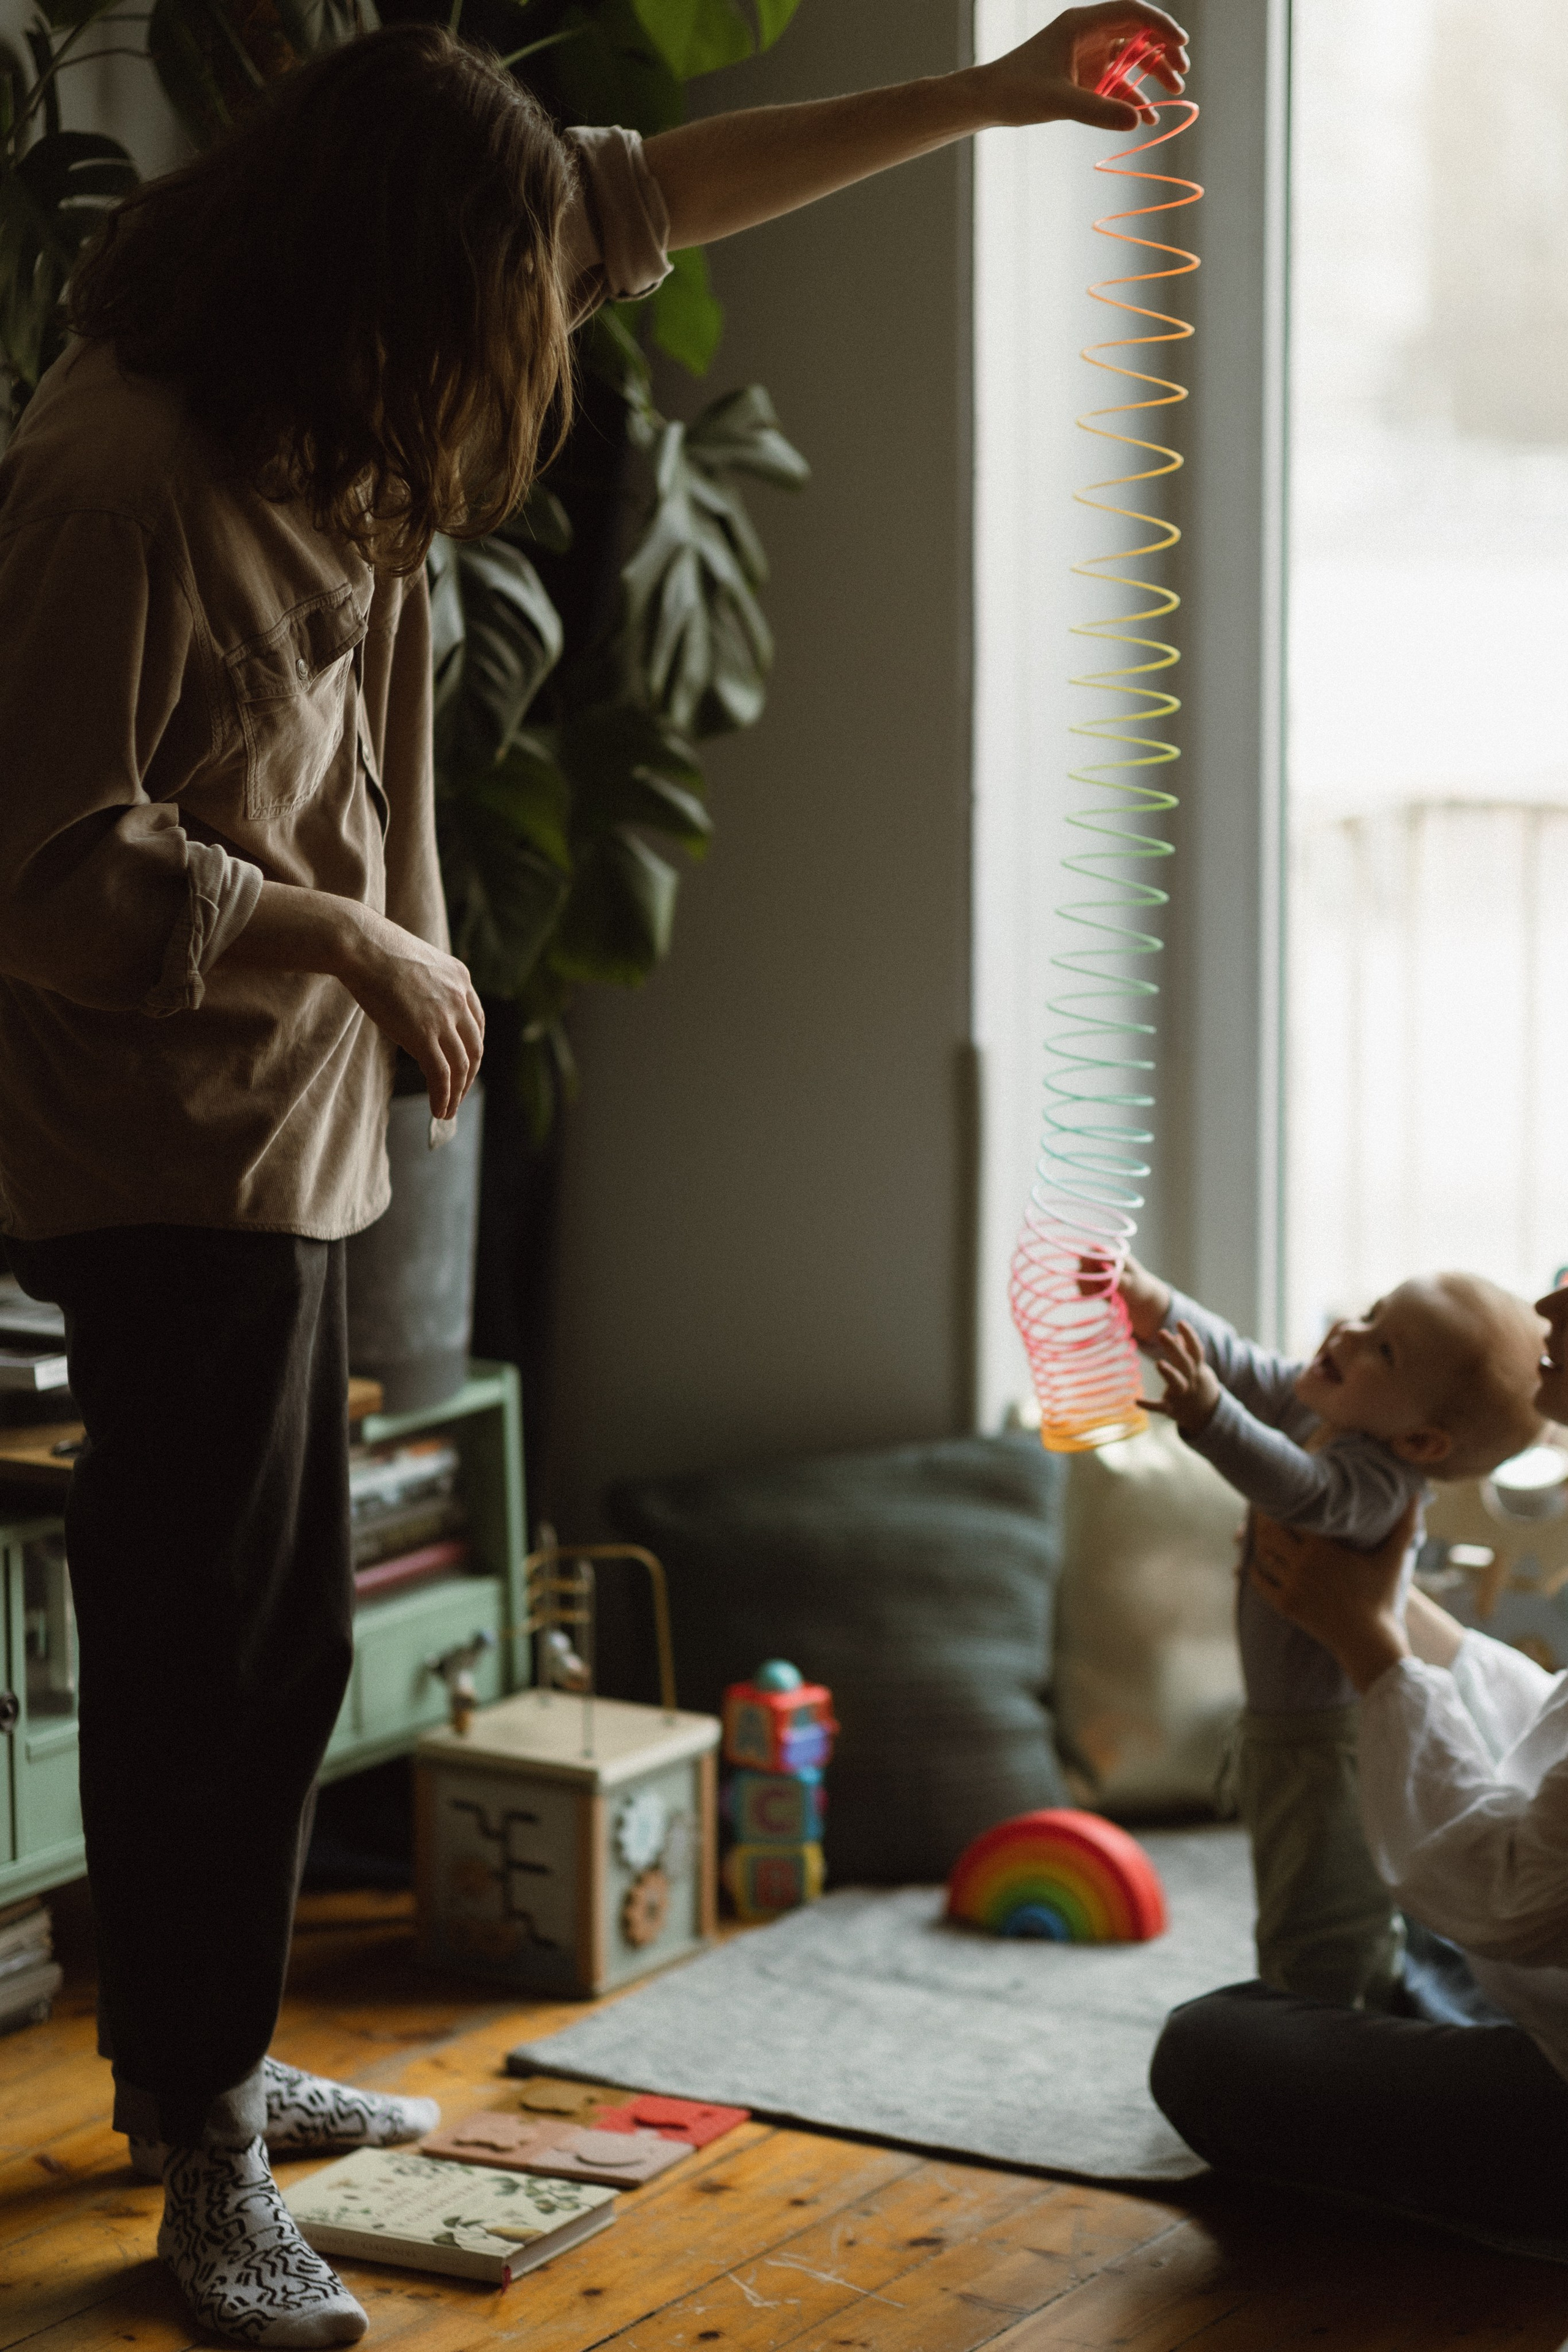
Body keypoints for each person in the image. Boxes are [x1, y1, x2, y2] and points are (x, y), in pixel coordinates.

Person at [0, 7, 1188, 2344]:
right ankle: (207, 2148)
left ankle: (198, 2076)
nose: (519, 345)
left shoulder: (324, 373)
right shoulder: (123, 479)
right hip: (169, 1142)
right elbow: (38, 867)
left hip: (310, 1123)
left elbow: (652, 202)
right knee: (202, 1645)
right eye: (488, 304)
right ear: (373, 280)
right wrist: (340, 931)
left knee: (285, 1633)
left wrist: (984, 92)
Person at [1149, 1275, 1568, 2251]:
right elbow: (1547, 1740)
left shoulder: (1358, 1464)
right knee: (1392, 1923)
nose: (1550, 1303)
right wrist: (1384, 1612)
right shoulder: (1343, 1432)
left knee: (1210, 2047)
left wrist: (1368, 1643)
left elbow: (1507, 1898)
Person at [1117, 1257, 1544, 2008]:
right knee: (1289, 1883)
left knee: (1323, 1907)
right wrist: (1151, 1302)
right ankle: (1319, 2002)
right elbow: (1238, 1359)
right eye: (1371, 1314)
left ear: (1421, 1443)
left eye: (1384, 1349)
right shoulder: (1328, 1407)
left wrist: (1214, 1421)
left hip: (1330, 1739)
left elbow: (1306, 1493)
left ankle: (1338, 2017)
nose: (1349, 1334)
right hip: (1285, 1728)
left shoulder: (1379, 1480)